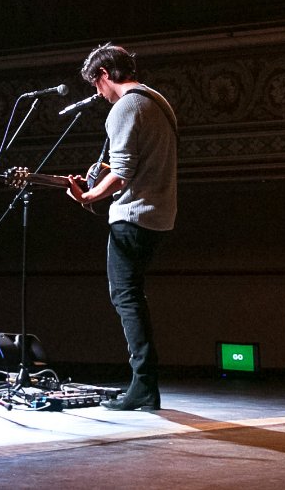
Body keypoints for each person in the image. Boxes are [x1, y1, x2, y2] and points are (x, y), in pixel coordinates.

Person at [64, 44, 178, 411]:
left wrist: (88, 195)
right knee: (132, 295)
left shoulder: (125, 107)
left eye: (95, 84)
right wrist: (104, 175)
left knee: (126, 297)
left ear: (103, 74)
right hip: (160, 215)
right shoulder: (156, 100)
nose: (97, 93)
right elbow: (139, 163)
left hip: (133, 215)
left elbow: (124, 173)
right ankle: (144, 384)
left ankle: (143, 385)